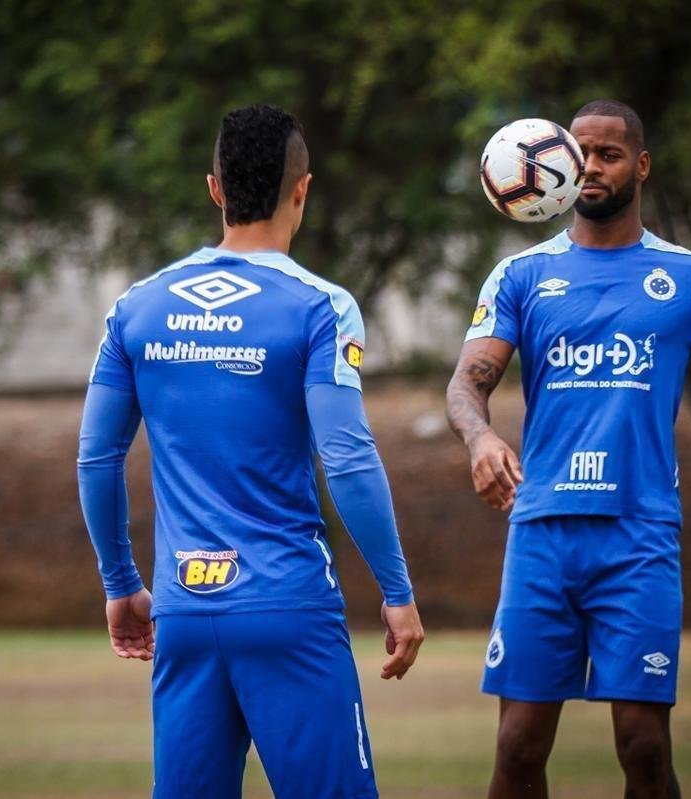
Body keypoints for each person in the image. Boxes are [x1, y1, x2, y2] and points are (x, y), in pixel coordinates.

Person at [446, 99, 691, 799]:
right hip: (543, 531)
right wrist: (479, 438)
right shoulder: (521, 277)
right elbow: (466, 384)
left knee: (645, 748)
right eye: (580, 153)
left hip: (639, 534)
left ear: (641, 165)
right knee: (518, 744)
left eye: (609, 154)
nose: (590, 167)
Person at [78, 104, 425, 799]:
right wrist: (397, 590)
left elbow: (95, 457)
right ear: (302, 189)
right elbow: (348, 457)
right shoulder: (321, 305)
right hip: (288, 606)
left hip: (182, 610)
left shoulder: (136, 307)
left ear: (215, 189)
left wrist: (120, 582)